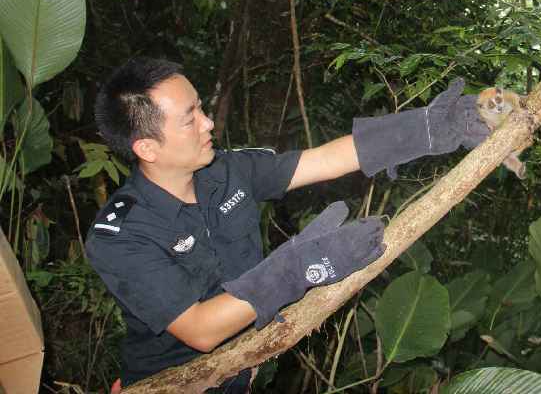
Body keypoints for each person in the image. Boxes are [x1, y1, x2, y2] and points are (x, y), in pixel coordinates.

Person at [85, 57, 491, 392]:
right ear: (147, 148)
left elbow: (321, 161)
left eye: (202, 108)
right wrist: (298, 267)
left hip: (246, 374)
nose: (208, 123)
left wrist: (430, 129)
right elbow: (201, 330)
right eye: (190, 119)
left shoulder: (228, 170)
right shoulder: (121, 235)